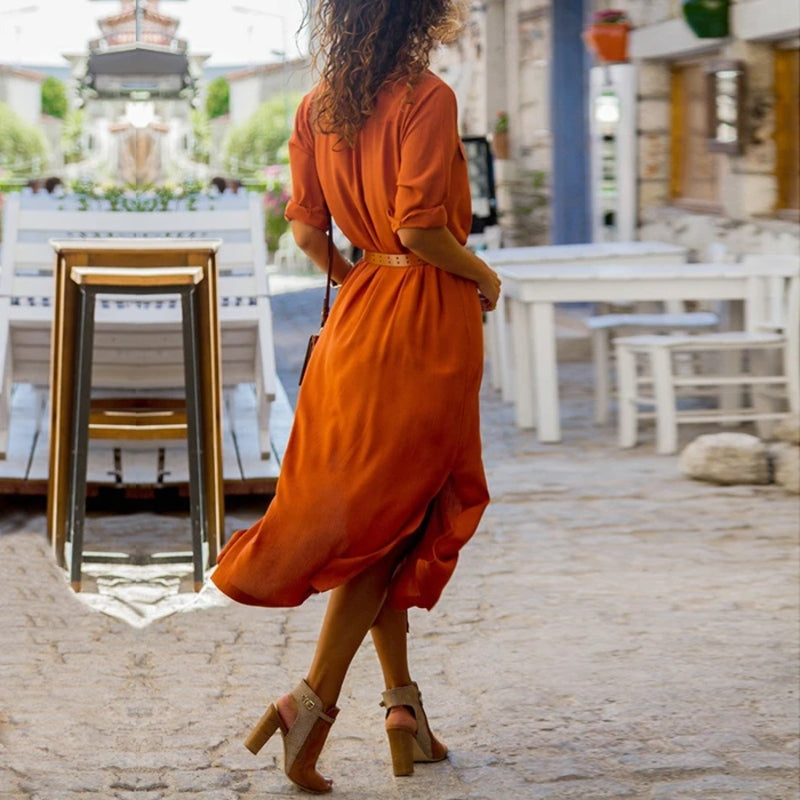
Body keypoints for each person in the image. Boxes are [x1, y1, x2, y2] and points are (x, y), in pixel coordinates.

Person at [211, 0, 501, 793]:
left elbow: (307, 231)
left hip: (357, 313)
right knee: (390, 518)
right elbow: (419, 229)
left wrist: (355, 279)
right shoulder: (426, 98)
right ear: (418, 17)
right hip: (427, 317)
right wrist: (483, 275)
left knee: (383, 514)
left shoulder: (316, 106)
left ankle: (404, 707)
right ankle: (311, 701)